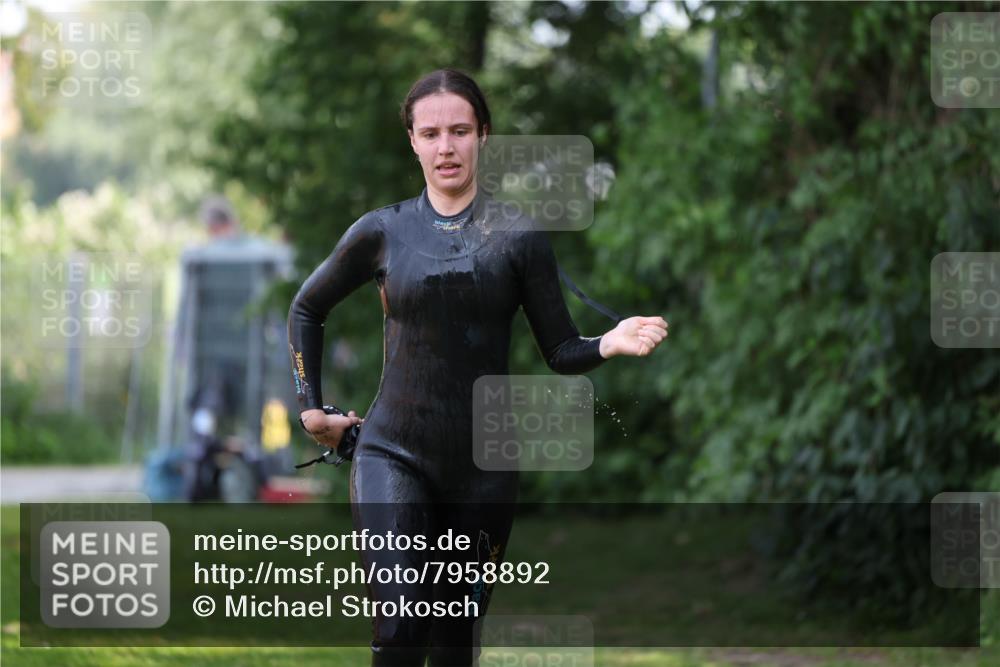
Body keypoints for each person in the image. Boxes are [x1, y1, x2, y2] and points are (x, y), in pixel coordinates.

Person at [287, 69, 668, 666]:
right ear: (412, 140)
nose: (446, 147)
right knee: (400, 625)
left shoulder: (518, 236)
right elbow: (307, 307)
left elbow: (560, 350)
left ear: (483, 135)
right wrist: (311, 404)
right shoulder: (382, 232)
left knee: (454, 645)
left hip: (484, 468)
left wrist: (608, 342)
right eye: (431, 132)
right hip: (392, 454)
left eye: (459, 131)